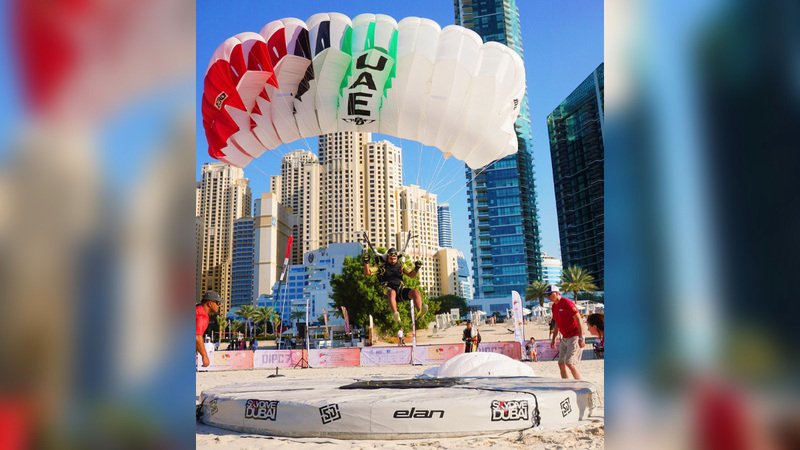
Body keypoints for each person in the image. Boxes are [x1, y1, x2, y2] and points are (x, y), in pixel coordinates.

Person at [364, 247, 428, 322]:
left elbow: (411, 275)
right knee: (392, 292)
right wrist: (366, 262)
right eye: (391, 259)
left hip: (400, 290)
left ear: (397, 258)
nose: (393, 261)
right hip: (387, 290)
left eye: (394, 259)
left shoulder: (401, 265)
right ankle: (395, 314)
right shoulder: (381, 266)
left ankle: (420, 312)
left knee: (416, 292)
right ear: (387, 258)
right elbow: (367, 273)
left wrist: (416, 268)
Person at [547, 285, 585, 380]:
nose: (548, 296)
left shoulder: (567, 303)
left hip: (575, 335)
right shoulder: (554, 306)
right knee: (561, 363)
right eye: (547, 294)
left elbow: (579, 319)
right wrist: (553, 339)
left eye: (550, 294)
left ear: (557, 293)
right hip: (565, 337)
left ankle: (581, 383)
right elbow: (557, 323)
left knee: (569, 363)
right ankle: (566, 384)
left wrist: (581, 337)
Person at [196, 290, 221, 368]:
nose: (219, 306)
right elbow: (197, 336)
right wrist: (204, 356)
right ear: (210, 303)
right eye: (217, 303)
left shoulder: (197, 309)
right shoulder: (201, 315)